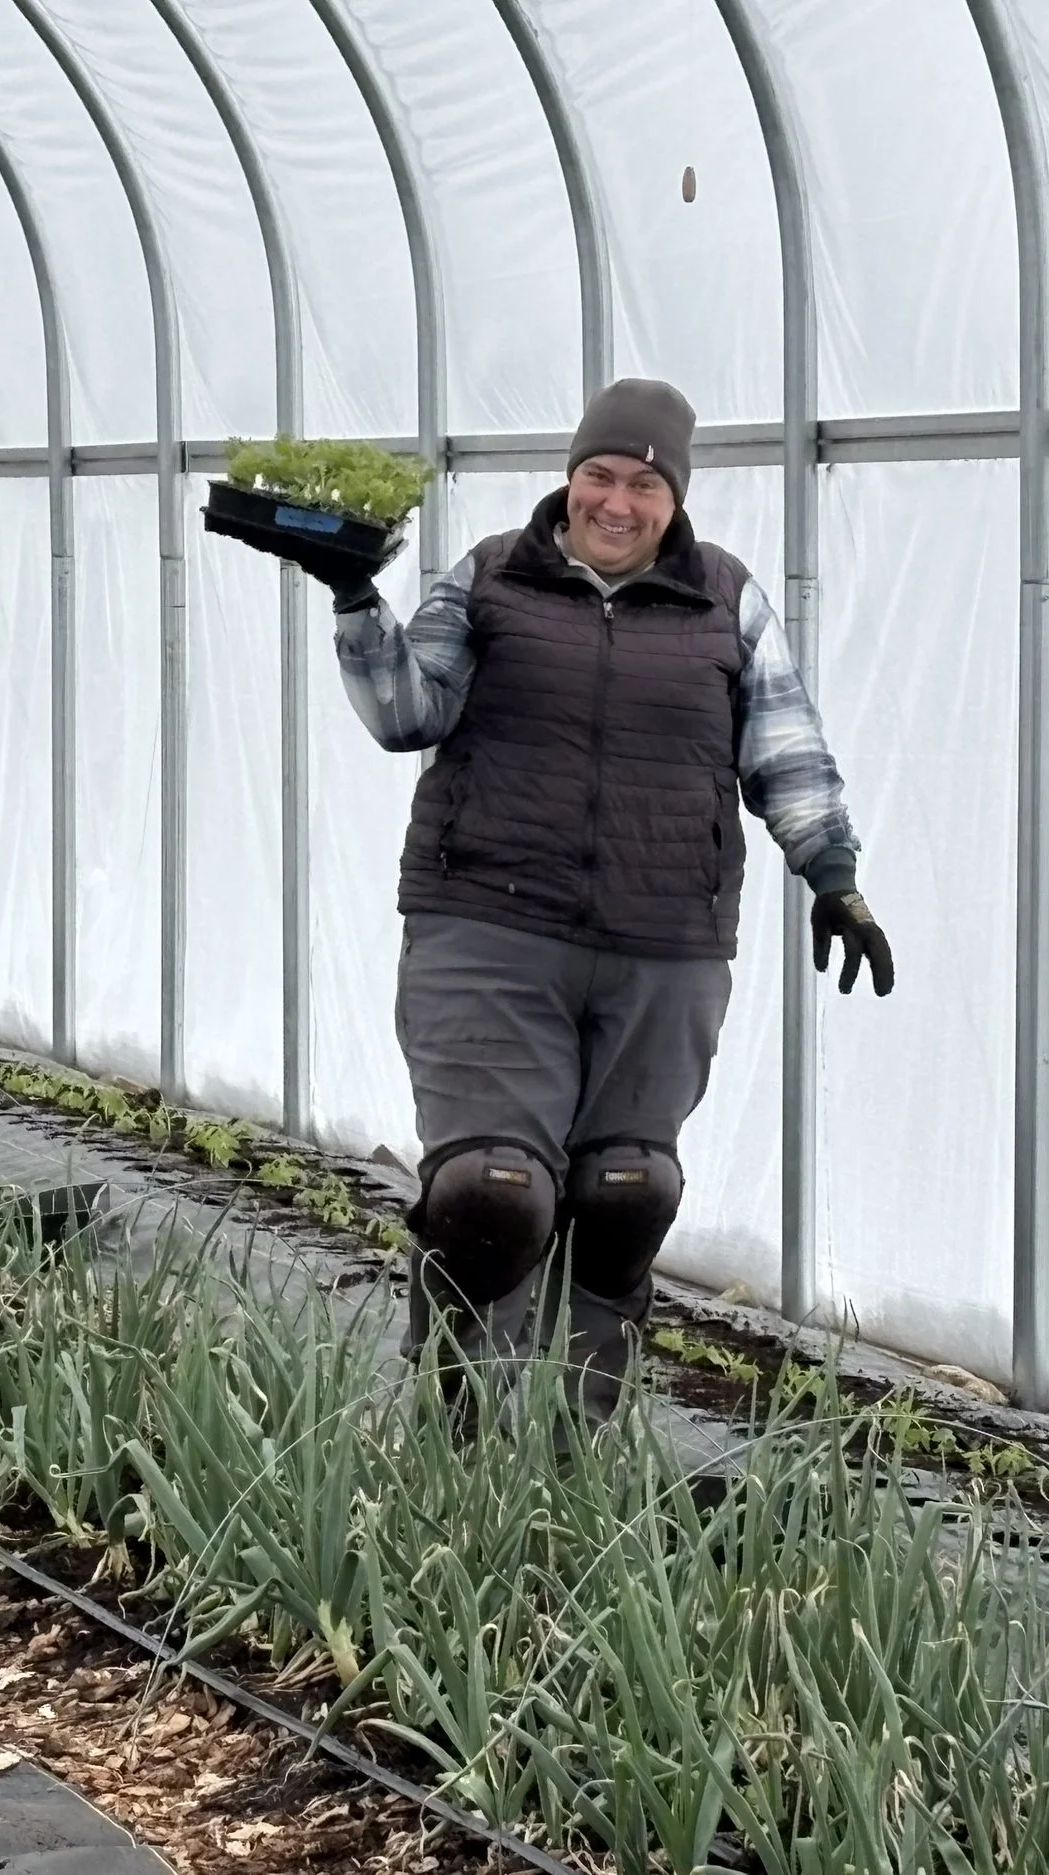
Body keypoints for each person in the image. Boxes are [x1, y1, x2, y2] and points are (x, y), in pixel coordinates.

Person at [293, 378, 892, 1423]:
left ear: (676, 497)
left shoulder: (725, 597)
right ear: (569, 479)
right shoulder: (490, 576)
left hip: (665, 940)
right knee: (494, 1193)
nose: (618, 501)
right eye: (600, 475)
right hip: (488, 924)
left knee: (627, 1192)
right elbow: (405, 714)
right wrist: (355, 598)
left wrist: (831, 876)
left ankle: (574, 1449)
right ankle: (456, 1431)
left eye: (644, 484)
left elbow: (784, 747)